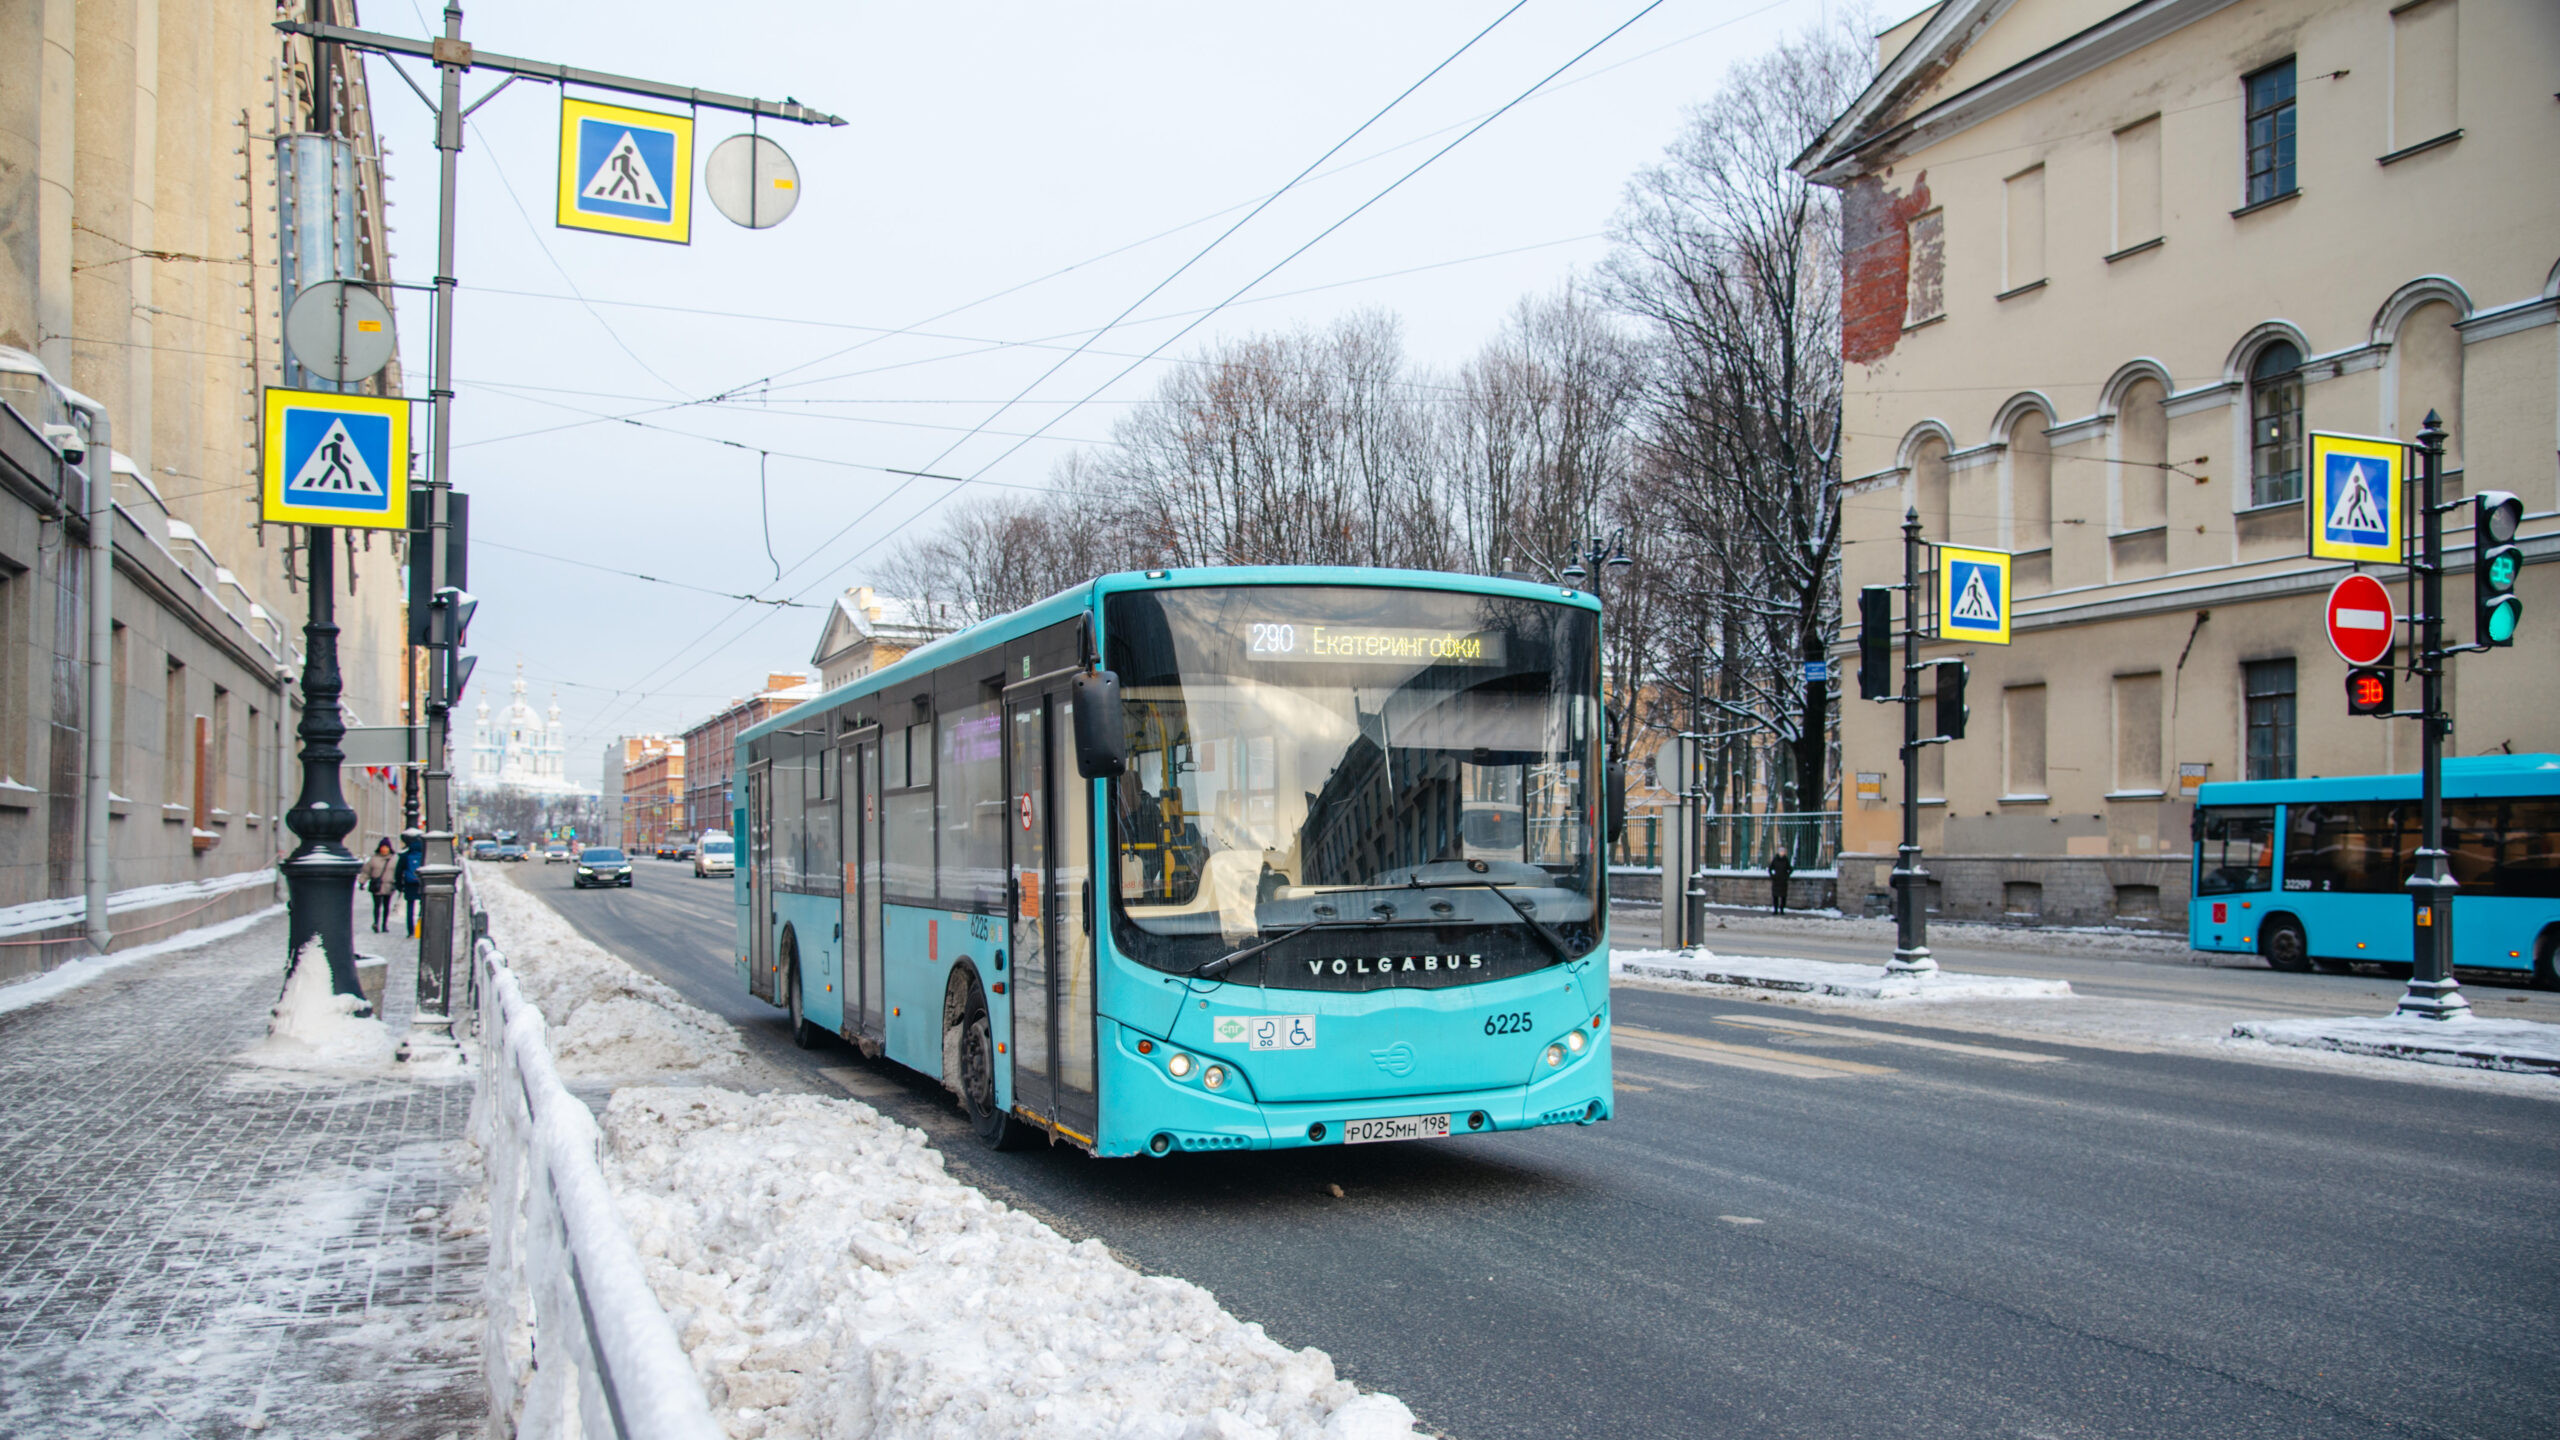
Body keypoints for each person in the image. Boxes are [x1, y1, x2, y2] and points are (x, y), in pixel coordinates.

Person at [362, 838, 398, 933]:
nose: (384, 849)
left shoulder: (394, 859)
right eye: (383, 847)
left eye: (386, 847)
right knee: (377, 905)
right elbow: (366, 872)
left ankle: (384, 925)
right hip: (376, 885)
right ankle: (376, 923)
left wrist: (398, 883)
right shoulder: (373, 859)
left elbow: (397, 872)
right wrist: (362, 881)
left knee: (386, 906)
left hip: (389, 885)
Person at [397, 829, 426, 937]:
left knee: (410, 908)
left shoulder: (406, 855)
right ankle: (420, 929)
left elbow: (398, 871)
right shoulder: (424, 855)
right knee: (423, 907)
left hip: (409, 884)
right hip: (422, 884)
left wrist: (399, 886)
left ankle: (410, 931)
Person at [1768, 847, 1794, 916]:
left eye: (1783, 852)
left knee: (1783, 896)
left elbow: (1790, 869)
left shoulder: (1786, 860)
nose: (1782, 853)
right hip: (1776, 881)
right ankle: (1775, 909)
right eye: (1781, 851)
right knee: (1775, 896)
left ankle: (1782, 909)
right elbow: (1770, 868)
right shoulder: (1775, 860)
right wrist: (1773, 876)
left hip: (1783, 881)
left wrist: (1786, 876)